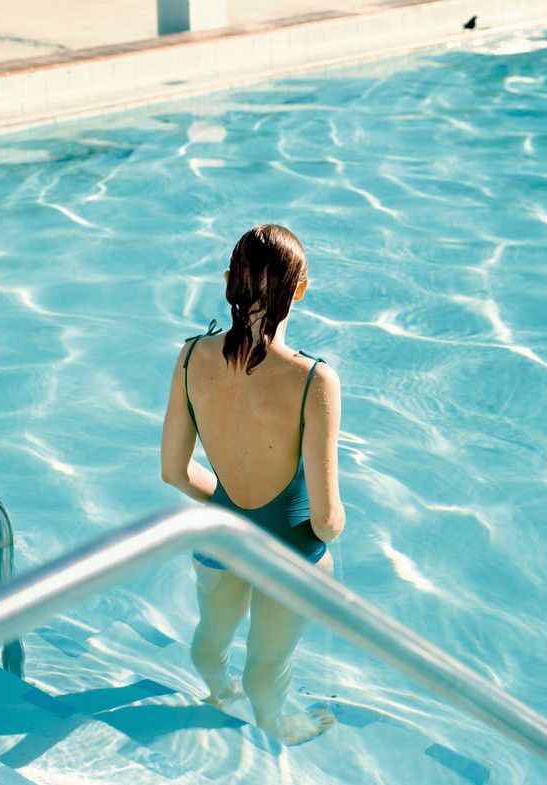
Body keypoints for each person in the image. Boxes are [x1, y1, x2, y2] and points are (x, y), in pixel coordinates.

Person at [160, 224, 345, 746]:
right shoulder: (313, 380)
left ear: (227, 283)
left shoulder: (191, 356)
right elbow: (328, 522)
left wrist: (228, 500)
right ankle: (274, 731)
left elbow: (174, 471)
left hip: (219, 539)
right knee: (266, 665)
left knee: (210, 640)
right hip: (289, 554)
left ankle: (218, 695)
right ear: (301, 290)